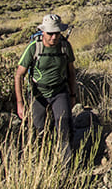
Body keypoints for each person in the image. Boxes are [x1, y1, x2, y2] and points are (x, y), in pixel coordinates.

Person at [15, 14, 78, 160]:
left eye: (57, 33)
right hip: (39, 93)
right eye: (50, 33)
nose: (54, 37)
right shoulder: (34, 47)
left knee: (65, 125)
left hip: (59, 91)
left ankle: (66, 164)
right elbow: (19, 75)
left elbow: (71, 72)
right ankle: (39, 160)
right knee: (37, 129)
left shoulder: (65, 47)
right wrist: (20, 103)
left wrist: (73, 95)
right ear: (43, 32)